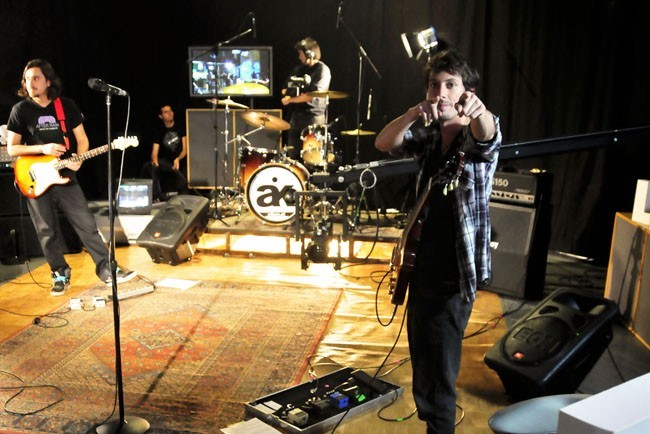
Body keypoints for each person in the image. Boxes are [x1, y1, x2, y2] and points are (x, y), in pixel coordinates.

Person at [375, 49, 502, 434]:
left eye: (450, 85)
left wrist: (479, 112)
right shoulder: (429, 136)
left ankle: (440, 427)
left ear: (467, 92)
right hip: (421, 266)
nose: (440, 93)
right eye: (434, 85)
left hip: (454, 271)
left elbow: (488, 136)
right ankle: (433, 422)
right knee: (423, 358)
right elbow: (384, 142)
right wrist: (414, 113)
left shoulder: (475, 132)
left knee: (441, 365)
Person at [5, 58, 136, 296]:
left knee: (86, 225)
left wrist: (80, 158)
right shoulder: (20, 110)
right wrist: (42, 149)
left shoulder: (65, 106)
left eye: (36, 78)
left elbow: (82, 139)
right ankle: (59, 273)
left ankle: (107, 269)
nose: (31, 83)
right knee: (46, 230)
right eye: (27, 79)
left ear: (48, 81)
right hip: (35, 178)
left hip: (65, 174)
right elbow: (13, 149)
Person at [281, 37, 331, 162]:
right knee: (293, 157)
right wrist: (289, 93)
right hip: (296, 118)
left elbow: (312, 95)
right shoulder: (299, 70)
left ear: (309, 53)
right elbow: (284, 89)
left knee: (312, 158)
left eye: (300, 53)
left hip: (313, 118)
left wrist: (290, 100)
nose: (299, 57)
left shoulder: (322, 70)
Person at [141, 104, 189, 202]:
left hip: (179, 160)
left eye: (170, 110)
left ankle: (185, 199)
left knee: (183, 179)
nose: (170, 113)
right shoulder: (159, 131)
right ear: (161, 116)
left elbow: (185, 149)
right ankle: (157, 197)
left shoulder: (180, 127)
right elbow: (154, 153)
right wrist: (155, 161)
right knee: (151, 166)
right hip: (166, 162)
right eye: (166, 112)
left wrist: (178, 159)